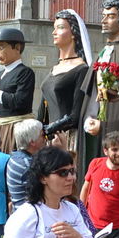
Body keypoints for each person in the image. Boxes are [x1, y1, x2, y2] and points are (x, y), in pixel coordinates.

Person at [81, 0, 119, 161]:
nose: (104, 20)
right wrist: (90, 118)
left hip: (113, 132)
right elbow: (92, 93)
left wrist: (105, 123)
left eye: (111, 16)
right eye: (104, 15)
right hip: (95, 126)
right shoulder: (102, 52)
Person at [37, 10, 91, 156]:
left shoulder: (82, 69)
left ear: (73, 33)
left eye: (60, 27)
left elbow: (75, 116)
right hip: (49, 139)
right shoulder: (54, 68)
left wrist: (49, 129)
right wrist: (37, 129)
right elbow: (43, 109)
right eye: (54, 28)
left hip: (67, 139)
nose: (54, 32)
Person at [0, 27, 34, 154]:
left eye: (0, 47)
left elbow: (19, 101)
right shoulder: (1, 73)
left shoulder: (25, 72)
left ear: (17, 48)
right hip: (2, 126)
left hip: (16, 128)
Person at [6, 119, 46, 208]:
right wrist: (61, 150)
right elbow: (47, 191)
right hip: (29, 216)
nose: (45, 139)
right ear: (32, 142)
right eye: (42, 135)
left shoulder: (15, 157)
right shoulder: (27, 164)